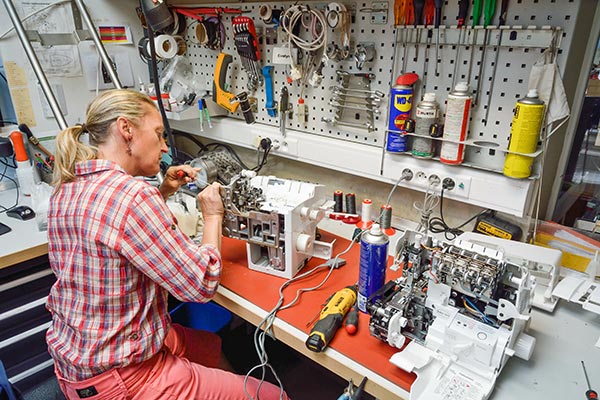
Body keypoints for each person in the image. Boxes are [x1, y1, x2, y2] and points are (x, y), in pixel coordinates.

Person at [46, 89, 289, 400]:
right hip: (124, 379)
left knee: (208, 348)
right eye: (159, 134)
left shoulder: (68, 184)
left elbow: (114, 228)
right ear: (126, 130)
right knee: (273, 396)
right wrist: (212, 214)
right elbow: (200, 284)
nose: (164, 146)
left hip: (79, 363)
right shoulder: (132, 196)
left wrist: (163, 191)